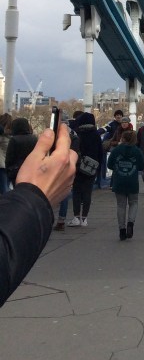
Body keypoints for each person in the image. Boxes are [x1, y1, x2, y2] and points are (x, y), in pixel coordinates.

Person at [0, 124, 77, 306]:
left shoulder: (14, 141)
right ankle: (63, 217)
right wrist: (34, 195)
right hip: (31, 181)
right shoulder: (33, 139)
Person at [107, 129, 144, 240]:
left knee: (121, 205)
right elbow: (142, 167)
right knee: (133, 203)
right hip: (132, 181)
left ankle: (122, 230)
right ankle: (130, 223)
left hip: (119, 181)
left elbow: (109, 165)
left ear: (122, 138)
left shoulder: (116, 150)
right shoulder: (137, 151)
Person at [67, 112, 104, 227]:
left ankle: (76, 217)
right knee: (88, 192)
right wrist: (99, 167)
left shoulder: (78, 134)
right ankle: (84, 219)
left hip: (78, 166)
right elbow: (100, 153)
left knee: (77, 191)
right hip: (92, 167)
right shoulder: (96, 135)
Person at [5, 117, 38, 186]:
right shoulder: (34, 138)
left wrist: (8, 170)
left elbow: (9, 158)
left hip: (17, 171)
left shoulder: (14, 140)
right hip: (32, 169)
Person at [0, 112, 12, 194]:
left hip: (1, 165)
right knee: (6, 187)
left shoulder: (2, 137)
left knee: (4, 189)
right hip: (8, 165)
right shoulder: (11, 136)